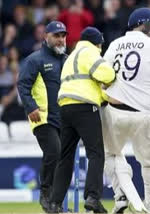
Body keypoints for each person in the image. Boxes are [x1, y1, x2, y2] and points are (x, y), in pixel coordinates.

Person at [100, 7, 150, 214]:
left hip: (113, 111)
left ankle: (121, 195)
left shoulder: (115, 44)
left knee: (111, 155)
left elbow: (103, 75)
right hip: (142, 114)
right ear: (143, 24)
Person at [47, 27, 116, 213]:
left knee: (65, 157)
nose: (101, 47)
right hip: (85, 107)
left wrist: (101, 97)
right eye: (100, 44)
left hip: (65, 107)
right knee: (96, 153)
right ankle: (93, 197)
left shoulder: (71, 57)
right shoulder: (90, 52)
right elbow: (108, 75)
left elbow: (82, 82)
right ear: (97, 42)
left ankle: (54, 203)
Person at [17, 20, 67, 212]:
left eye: (63, 36)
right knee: (53, 151)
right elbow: (23, 85)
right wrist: (31, 107)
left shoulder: (67, 60)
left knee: (63, 158)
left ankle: (56, 203)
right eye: (56, 35)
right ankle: (46, 193)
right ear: (46, 37)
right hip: (42, 117)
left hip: (64, 118)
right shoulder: (35, 60)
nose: (60, 39)